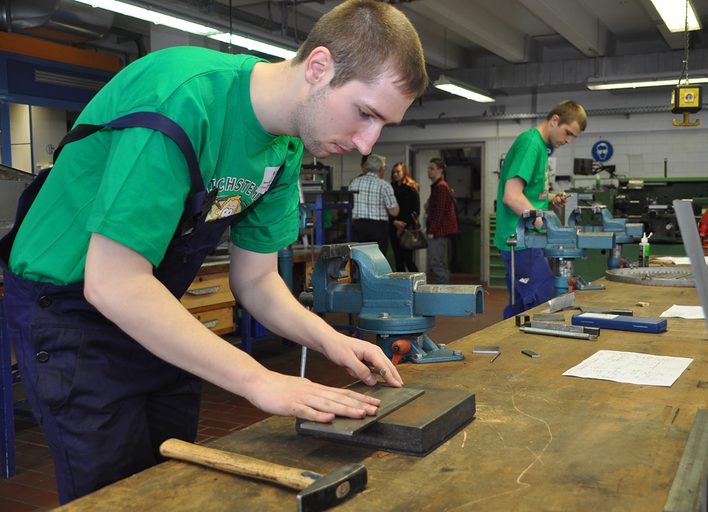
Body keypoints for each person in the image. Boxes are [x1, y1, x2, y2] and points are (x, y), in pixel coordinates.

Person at [0, 0, 428, 503]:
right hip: (70, 311)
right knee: (115, 493)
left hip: (150, 304)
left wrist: (330, 340)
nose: (366, 143)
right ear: (318, 66)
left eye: (383, 126)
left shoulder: (286, 146)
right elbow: (112, 281)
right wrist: (258, 380)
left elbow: (257, 280)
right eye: (364, 114)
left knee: (172, 477)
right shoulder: (182, 98)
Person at [494, 100, 587, 319]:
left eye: (573, 137)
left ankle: (511, 347)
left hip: (526, 239)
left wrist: (551, 199)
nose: (568, 140)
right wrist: (547, 225)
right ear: (555, 120)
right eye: (568, 133)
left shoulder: (542, 147)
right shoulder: (531, 144)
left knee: (522, 306)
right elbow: (512, 196)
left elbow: (527, 192)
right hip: (520, 240)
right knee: (541, 305)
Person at [349, 153, 399, 254]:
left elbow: (349, 205)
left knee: (359, 258)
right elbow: (394, 212)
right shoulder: (384, 185)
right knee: (377, 260)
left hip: (359, 226)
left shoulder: (354, 182)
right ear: (381, 169)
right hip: (378, 228)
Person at [425, 158, 459, 284]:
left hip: (438, 232)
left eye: (432, 168)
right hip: (439, 231)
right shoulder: (438, 186)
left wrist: (432, 231)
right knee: (439, 262)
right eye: (429, 168)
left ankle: (443, 291)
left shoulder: (441, 187)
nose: (429, 171)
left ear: (440, 170)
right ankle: (444, 289)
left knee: (436, 262)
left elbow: (439, 212)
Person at [389, 162, 421, 271]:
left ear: (404, 172)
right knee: (398, 260)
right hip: (393, 226)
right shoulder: (390, 188)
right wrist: (394, 222)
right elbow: (386, 208)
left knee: (408, 259)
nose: (395, 174)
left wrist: (403, 224)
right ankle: (401, 286)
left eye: (398, 171)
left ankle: (417, 284)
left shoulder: (411, 188)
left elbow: (416, 210)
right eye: (393, 172)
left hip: (407, 229)